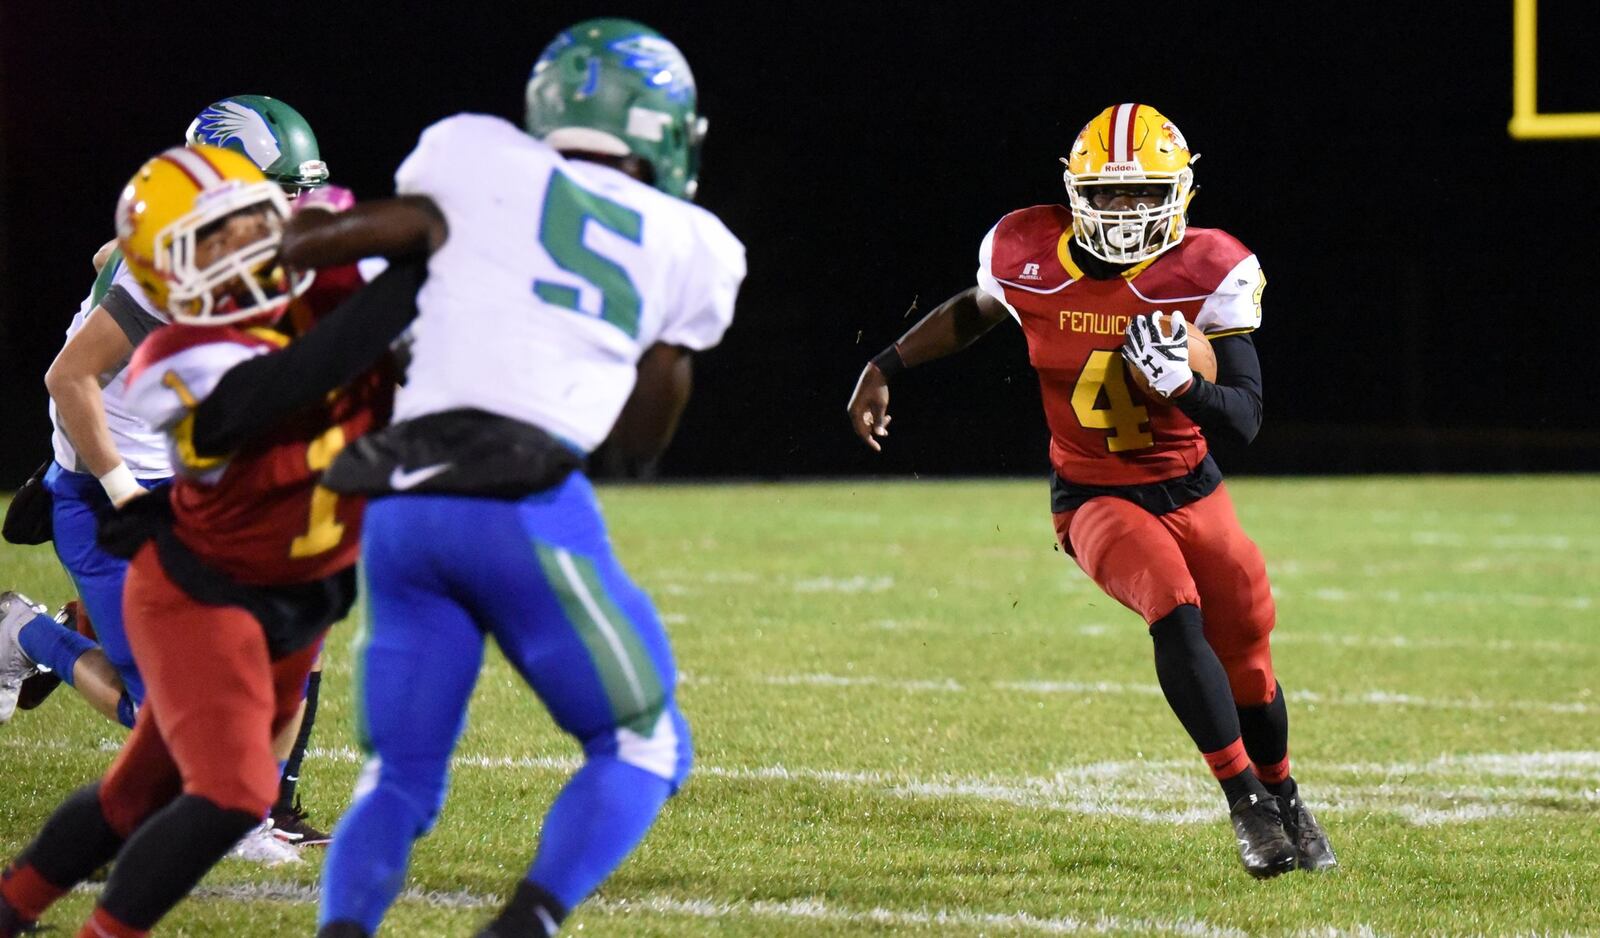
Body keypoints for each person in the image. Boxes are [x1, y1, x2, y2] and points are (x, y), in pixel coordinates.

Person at [287, 18, 744, 938]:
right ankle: (522, 927)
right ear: (662, 125)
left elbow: (373, 238)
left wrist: (291, 243)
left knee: (399, 776)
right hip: (522, 504)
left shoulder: (470, 151)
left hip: (403, 510)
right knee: (646, 743)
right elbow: (640, 439)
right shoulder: (696, 242)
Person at [846, 103, 1336, 879]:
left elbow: (1243, 419)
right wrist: (885, 366)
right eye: (1110, 193)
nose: (1125, 210)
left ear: (1177, 194)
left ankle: (1285, 797)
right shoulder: (1027, 251)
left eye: (1144, 194)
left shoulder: (1207, 267)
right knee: (1174, 609)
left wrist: (1185, 386)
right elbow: (975, 313)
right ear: (1077, 193)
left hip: (1192, 486)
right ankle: (1244, 801)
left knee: (1247, 653)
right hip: (1093, 495)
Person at [0, 144, 421, 938]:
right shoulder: (184, 354)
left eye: (237, 228)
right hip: (210, 587)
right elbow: (320, 368)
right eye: (202, 246)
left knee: (135, 796)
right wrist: (408, 282)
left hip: (304, 588)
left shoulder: (307, 257)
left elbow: (378, 241)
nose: (233, 255)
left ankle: (11, 905)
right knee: (229, 792)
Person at [0, 94, 339, 847]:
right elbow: (66, 379)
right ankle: (27, 634)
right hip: (108, 494)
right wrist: (121, 490)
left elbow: (107, 260)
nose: (297, 208)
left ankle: (264, 811)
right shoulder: (174, 266)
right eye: (282, 190)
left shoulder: (199, 245)